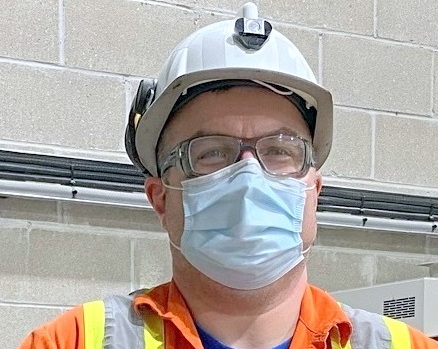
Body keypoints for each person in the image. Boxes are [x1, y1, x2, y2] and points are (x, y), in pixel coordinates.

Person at [19, 2, 438, 349]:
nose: (248, 176)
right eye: (212, 153)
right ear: (161, 198)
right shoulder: (71, 341)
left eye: (280, 150)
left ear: (315, 191)